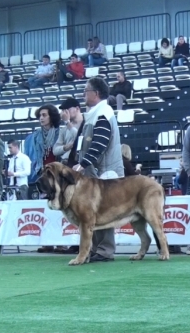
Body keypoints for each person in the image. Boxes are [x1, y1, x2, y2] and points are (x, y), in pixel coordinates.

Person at [73, 76, 124, 263]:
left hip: (106, 172)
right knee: (93, 210)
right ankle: (96, 248)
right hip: (96, 172)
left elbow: (100, 143)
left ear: (96, 93)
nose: (83, 94)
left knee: (104, 210)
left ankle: (105, 250)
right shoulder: (96, 113)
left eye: (86, 90)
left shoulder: (104, 113)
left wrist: (83, 163)